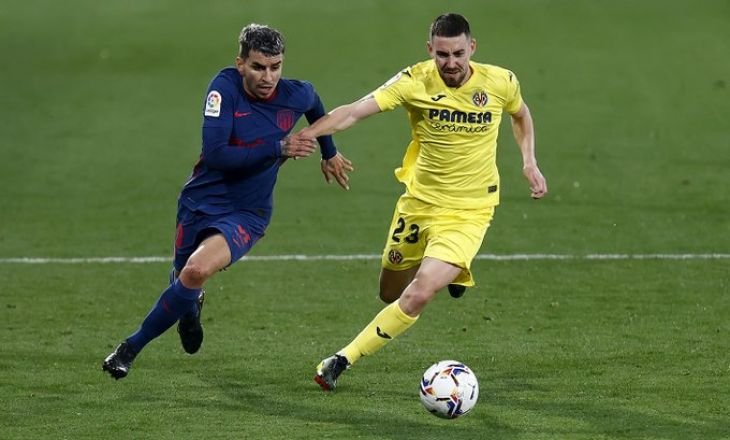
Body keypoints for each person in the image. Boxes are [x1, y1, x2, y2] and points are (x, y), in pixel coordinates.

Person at [293, 13, 547, 391]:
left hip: (470, 211)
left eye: (458, 53)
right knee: (390, 293)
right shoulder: (414, 81)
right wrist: (309, 134)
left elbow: (521, 115)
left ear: (472, 48)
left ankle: (341, 359)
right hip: (419, 204)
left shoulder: (500, 82)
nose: (451, 63)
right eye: (442, 55)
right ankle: (455, 273)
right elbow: (354, 111)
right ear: (430, 50)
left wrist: (529, 162)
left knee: (419, 293)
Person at [102, 23, 353, 380]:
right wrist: (279, 147)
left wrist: (329, 152)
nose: (268, 77)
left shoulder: (294, 93)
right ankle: (190, 308)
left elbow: (315, 105)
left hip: (248, 212)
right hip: (200, 200)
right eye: (258, 67)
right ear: (240, 64)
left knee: (195, 271)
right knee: (183, 277)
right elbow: (217, 154)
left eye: (276, 67)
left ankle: (128, 349)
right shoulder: (223, 89)